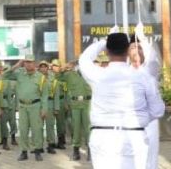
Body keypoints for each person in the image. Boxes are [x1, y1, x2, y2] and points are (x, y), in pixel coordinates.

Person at [79, 33, 165, 169]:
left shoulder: (97, 74)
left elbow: (84, 58)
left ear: (106, 51)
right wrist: (139, 118)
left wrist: (103, 42)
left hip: (102, 135)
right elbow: (158, 110)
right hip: (133, 134)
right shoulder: (143, 76)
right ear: (127, 51)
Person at [3, 55, 49, 161]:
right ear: (24, 63)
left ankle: (37, 150)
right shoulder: (19, 74)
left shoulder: (41, 77)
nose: (28, 64)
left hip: (36, 106)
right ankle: (24, 152)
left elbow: (45, 95)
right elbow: (5, 75)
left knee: (36, 129)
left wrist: (44, 109)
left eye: (31, 62)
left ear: (34, 63)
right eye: (26, 62)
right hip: (23, 106)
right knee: (23, 130)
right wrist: (17, 65)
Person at [129, 35, 161, 169]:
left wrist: (142, 37)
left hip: (150, 120)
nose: (136, 50)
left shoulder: (150, 69)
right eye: (132, 47)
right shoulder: (124, 71)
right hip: (131, 120)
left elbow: (152, 55)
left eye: (139, 47)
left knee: (151, 156)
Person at [57, 59, 92, 161]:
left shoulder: (89, 74)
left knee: (88, 128)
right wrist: (65, 67)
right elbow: (57, 76)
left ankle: (90, 150)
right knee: (75, 128)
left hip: (87, 104)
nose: (79, 66)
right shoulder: (69, 75)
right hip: (75, 105)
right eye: (77, 64)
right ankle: (76, 151)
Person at [0, 61, 17, 150]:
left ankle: (13, 138)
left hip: (10, 103)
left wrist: (15, 106)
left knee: (13, 122)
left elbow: (15, 94)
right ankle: (4, 142)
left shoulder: (11, 81)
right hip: (1, 103)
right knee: (3, 124)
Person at [38, 60, 58, 153]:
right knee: (39, 126)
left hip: (50, 103)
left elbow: (56, 94)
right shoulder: (36, 78)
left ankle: (50, 145)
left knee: (50, 126)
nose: (43, 68)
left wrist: (56, 108)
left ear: (47, 68)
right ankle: (39, 146)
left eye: (45, 66)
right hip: (39, 105)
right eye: (41, 67)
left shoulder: (53, 78)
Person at [50, 59, 67, 149]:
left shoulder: (63, 76)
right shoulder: (48, 76)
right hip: (50, 101)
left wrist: (66, 102)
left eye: (57, 66)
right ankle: (51, 141)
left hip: (60, 101)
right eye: (53, 65)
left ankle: (61, 141)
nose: (55, 67)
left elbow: (67, 91)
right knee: (50, 122)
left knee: (60, 122)